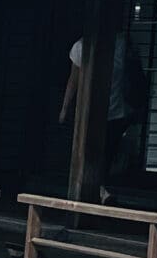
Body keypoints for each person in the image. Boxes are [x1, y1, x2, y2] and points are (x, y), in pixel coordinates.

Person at [59, 30, 147, 199]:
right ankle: (97, 190)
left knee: (107, 154)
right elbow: (73, 80)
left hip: (117, 111)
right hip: (89, 111)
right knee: (90, 153)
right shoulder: (80, 46)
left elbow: (135, 77)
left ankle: (100, 189)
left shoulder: (123, 44)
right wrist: (65, 108)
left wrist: (137, 107)